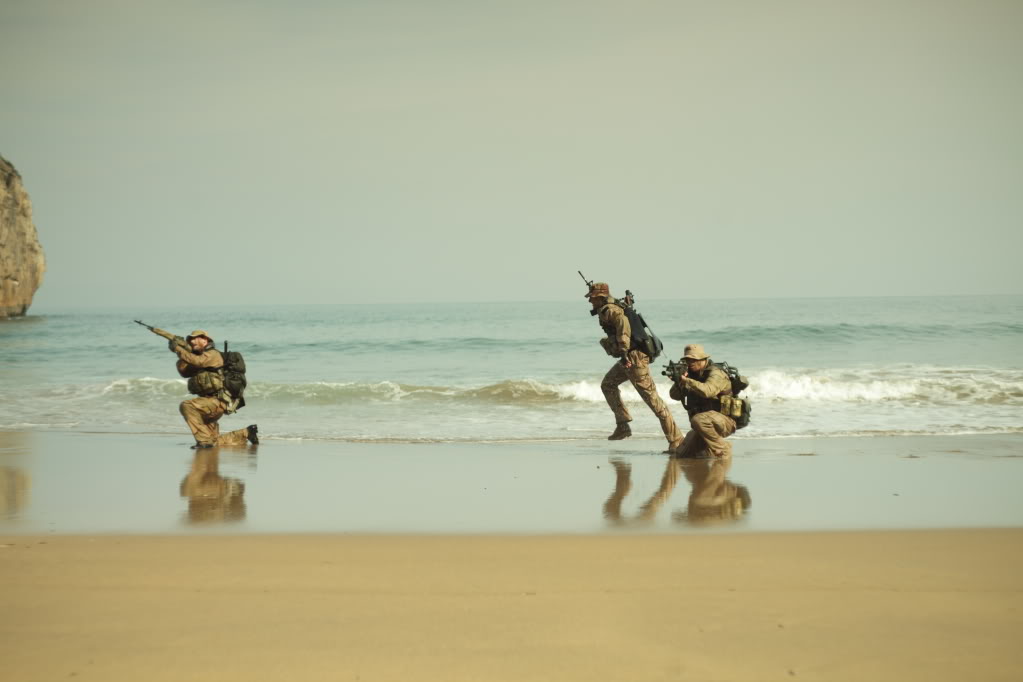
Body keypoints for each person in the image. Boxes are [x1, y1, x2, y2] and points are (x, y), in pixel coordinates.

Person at [586, 282, 682, 452]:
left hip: (633, 358)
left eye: (592, 298)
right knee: (608, 384)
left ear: (600, 297)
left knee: (653, 400)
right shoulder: (613, 306)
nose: (590, 302)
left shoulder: (611, 309)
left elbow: (624, 325)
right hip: (630, 357)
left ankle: (676, 440)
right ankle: (623, 425)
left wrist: (623, 353)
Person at [172, 329, 258, 449]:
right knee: (213, 442)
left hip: (217, 402)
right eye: (190, 340)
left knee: (186, 405)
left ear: (205, 340)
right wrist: (182, 352)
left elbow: (198, 361)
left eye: (196, 338)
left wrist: (178, 349)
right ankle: (246, 433)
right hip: (206, 404)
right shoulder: (197, 357)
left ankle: (203, 442)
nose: (192, 341)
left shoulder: (212, 354)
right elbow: (184, 372)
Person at [668, 343, 735, 458]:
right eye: (688, 360)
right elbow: (674, 396)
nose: (690, 363)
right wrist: (678, 380)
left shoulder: (717, 373)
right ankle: (709, 449)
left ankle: (723, 449)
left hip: (725, 421)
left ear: (704, 359)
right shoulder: (690, 374)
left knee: (698, 419)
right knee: (681, 455)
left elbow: (708, 391)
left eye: (693, 360)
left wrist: (687, 381)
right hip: (703, 425)